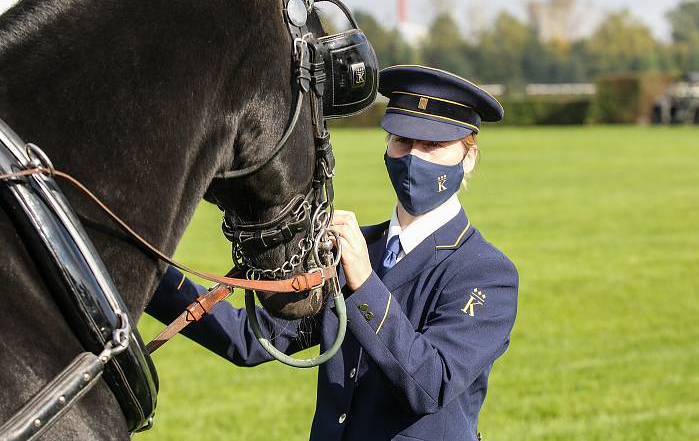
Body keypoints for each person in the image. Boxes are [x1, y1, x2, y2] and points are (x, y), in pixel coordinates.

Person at [147, 64, 519, 441]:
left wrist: (365, 283)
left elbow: (430, 384)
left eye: (433, 145)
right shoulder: (352, 248)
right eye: (402, 141)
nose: (413, 157)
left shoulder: (487, 273)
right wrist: (145, 272)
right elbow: (251, 339)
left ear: (468, 156)